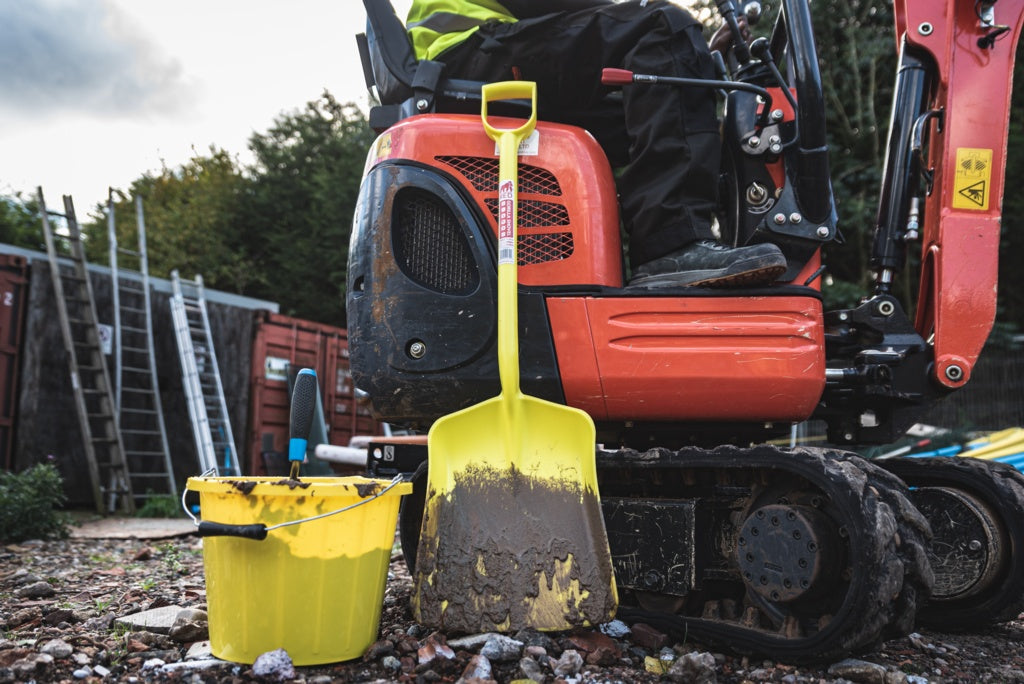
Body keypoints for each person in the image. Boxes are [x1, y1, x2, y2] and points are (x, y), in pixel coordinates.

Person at [405, 0, 787, 288]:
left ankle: (680, 248)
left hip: (484, 49)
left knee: (672, 93)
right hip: (468, 47)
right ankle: (671, 247)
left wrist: (689, 60)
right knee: (665, 26)